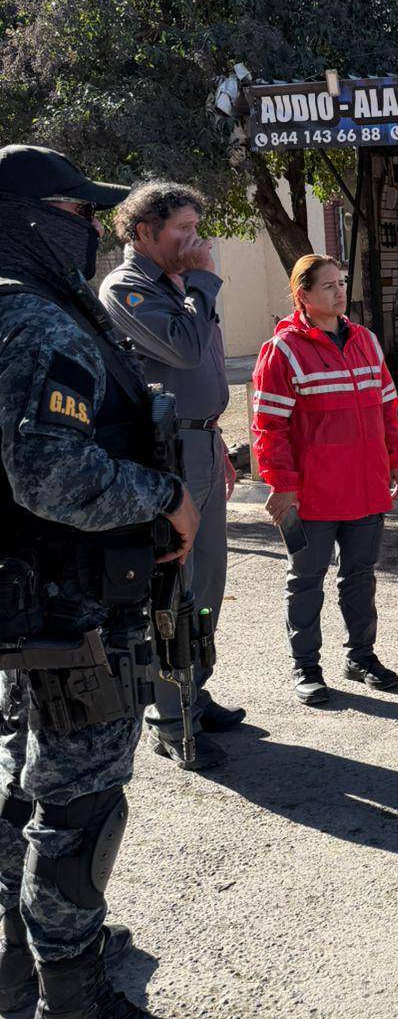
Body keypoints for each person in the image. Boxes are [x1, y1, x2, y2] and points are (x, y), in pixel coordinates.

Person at [0, 144, 200, 1019]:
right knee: (76, 812)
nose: (91, 231)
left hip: (35, 605)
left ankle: (21, 962)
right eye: (79, 215)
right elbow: (51, 474)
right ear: (35, 219)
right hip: (67, 612)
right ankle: (73, 1013)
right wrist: (164, 498)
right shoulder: (36, 322)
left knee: (24, 795)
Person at [100, 182, 243, 772]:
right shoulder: (127, 288)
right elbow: (184, 351)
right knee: (172, 589)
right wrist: (204, 281)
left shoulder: (182, 285)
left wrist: (219, 440)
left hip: (202, 442)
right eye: (180, 229)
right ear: (142, 233)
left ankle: (194, 690)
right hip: (166, 454)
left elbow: (203, 366)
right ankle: (168, 716)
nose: (194, 240)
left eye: (194, 226)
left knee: (207, 582)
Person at [251, 256, 398, 707]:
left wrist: (394, 459)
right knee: (306, 580)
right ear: (303, 296)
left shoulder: (367, 342)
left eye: (341, 284)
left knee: (360, 577)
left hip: (366, 487)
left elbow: (387, 407)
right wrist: (282, 486)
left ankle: (360, 657)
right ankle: (306, 668)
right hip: (312, 496)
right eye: (328, 287)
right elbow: (268, 428)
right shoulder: (282, 351)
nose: (340, 293)